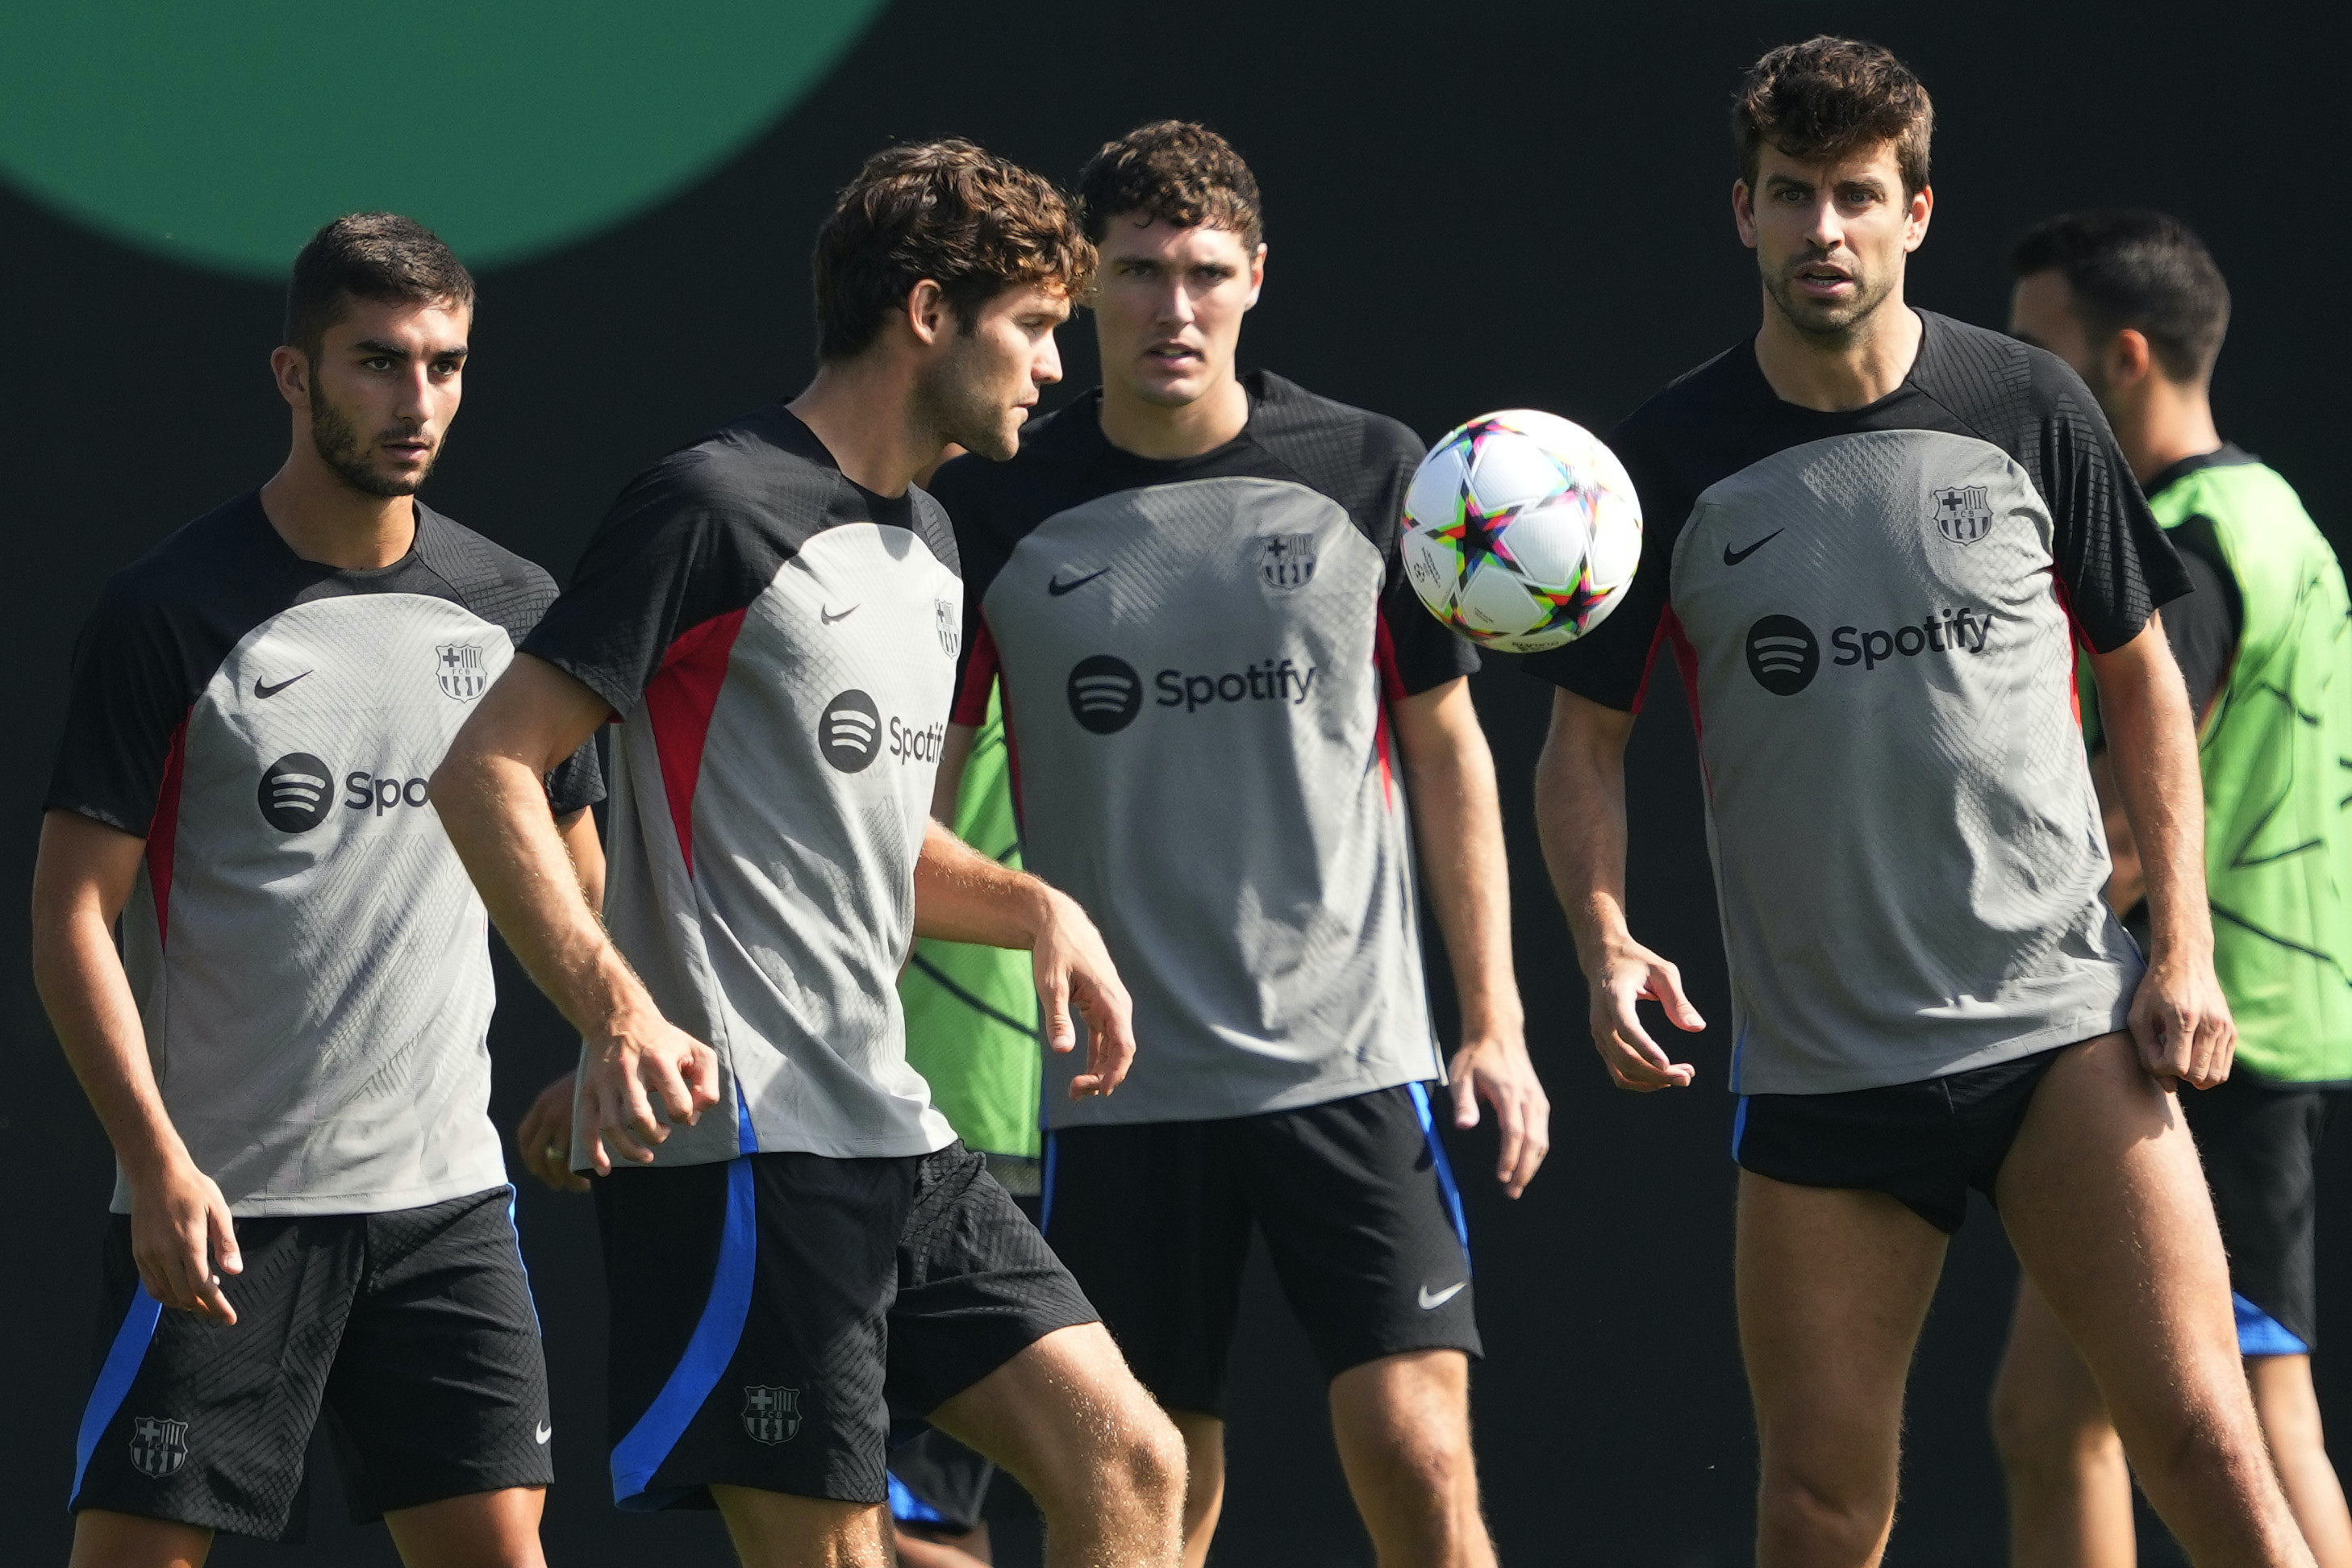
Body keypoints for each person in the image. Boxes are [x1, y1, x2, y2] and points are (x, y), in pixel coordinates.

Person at [1528, 36, 2314, 1568]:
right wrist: (1605, 937)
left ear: (1917, 212)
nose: (1823, 229)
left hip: (2062, 1029)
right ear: (1738, 215)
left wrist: (2187, 951)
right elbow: (1584, 745)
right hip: (1828, 1072)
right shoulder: (1664, 465)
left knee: (2211, 1445)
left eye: (1855, 196)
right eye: (1790, 197)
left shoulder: (2028, 401)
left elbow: (2146, 677)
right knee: (1822, 1513)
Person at [429, 140, 1186, 1568]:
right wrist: (613, 1010)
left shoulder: (939, 544)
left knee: (1133, 1471)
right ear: (924, 313)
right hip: (747, 1155)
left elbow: (871, 849)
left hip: (893, 1131)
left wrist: (1033, 907)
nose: (1049, 369)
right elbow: (487, 768)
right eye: (1031, 328)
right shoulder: (712, 509)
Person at [928, 120, 1546, 1568]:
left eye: (1206, 273)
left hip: (1351, 1060)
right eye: (1138, 274)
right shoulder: (994, 505)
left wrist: (1497, 1022)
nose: (1174, 309)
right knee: (1152, 1494)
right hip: (1117, 1087)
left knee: (1419, 1455)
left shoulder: (1370, 470)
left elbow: (1450, 747)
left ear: (1257, 278)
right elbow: (917, 801)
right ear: (1086, 287)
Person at [34, 213, 602, 1568]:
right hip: (222, 1212)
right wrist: (156, 1162)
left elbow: (579, 882)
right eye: (378, 364)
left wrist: (609, 1040)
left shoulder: (516, 605)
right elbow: (69, 920)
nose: (419, 403)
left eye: (447, 366)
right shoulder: (168, 609)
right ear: (292, 374)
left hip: (446, 1213)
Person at [1991, 211, 2352, 1568]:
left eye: (2040, 352)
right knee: (2046, 1419)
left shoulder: (2188, 539)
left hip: (2211, 1046)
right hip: (2223, 1036)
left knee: (2257, 1430)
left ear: (2124, 358)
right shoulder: (2280, 515)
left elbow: (2134, 818)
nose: (2019, 384)